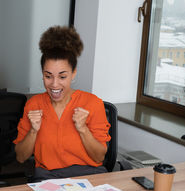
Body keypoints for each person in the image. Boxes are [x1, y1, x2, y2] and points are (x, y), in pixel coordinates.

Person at [13, 26, 111, 181]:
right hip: (48, 178)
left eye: (62, 77)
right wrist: (33, 131)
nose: (54, 84)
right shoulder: (34, 104)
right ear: (43, 75)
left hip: (89, 176)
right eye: (48, 76)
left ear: (73, 74)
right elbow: (20, 157)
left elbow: (99, 157)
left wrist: (83, 129)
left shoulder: (92, 103)